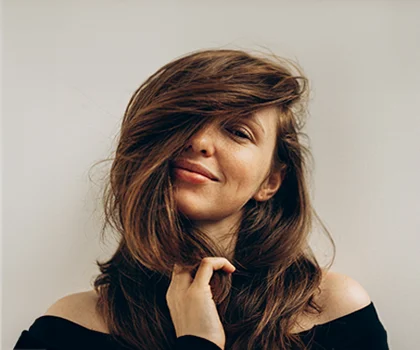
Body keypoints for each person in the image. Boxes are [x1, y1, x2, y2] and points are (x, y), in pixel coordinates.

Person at [13, 48, 389, 350]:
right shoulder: (67, 328)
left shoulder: (335, 311)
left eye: (238, 132)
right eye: (185, 121)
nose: (200, 141)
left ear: (271, 181)